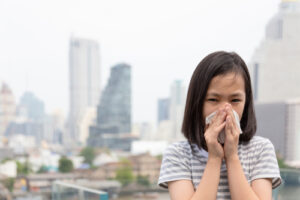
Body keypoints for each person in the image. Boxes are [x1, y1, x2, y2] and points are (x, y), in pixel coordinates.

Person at [158, 51, 281, 200]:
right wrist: (214, 158)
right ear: (197, 103)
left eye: (235, 100)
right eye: (213, 100)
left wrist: (232, 156)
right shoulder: (178, 154)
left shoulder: (261, 149)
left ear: (246, 103)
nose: (225, 109)